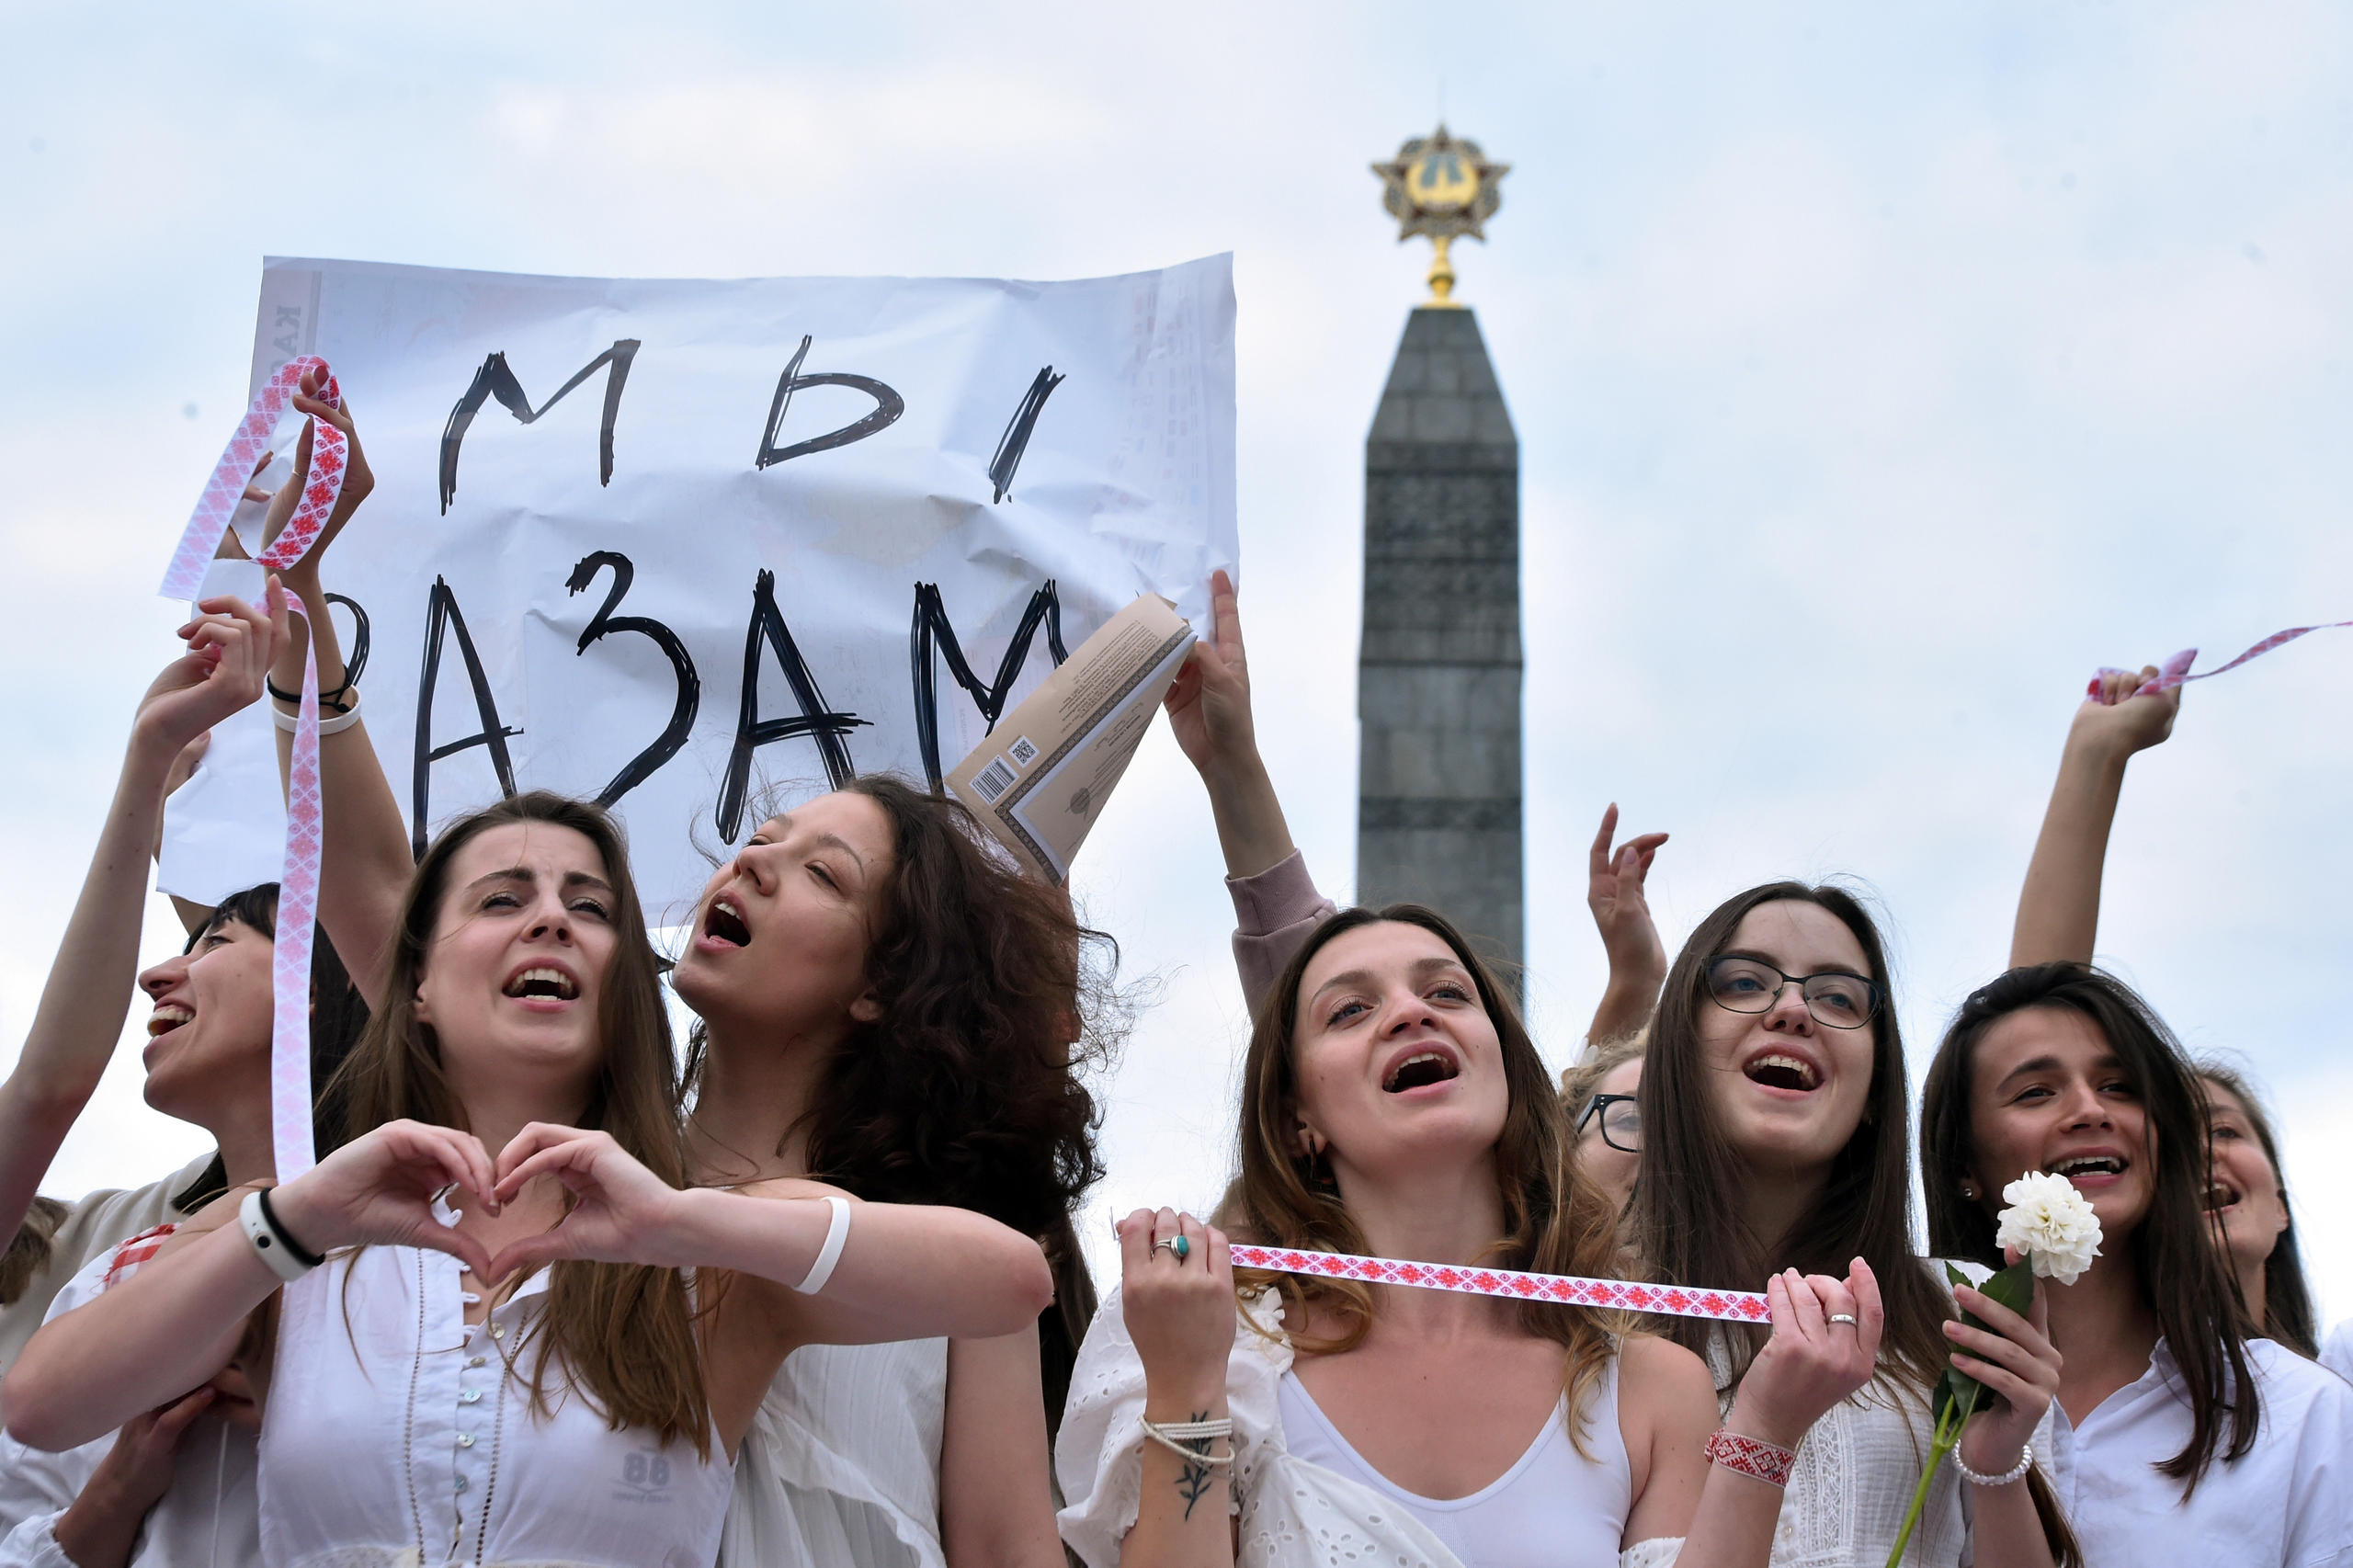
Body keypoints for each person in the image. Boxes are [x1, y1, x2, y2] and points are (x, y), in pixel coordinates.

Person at [250, 375, 1105, 1566]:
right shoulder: (589, 1175)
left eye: (819, 873)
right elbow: (392, 902)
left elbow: (1007, 1548)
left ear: (885, 980)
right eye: (758, 838)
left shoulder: (937, 1248)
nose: (750, 862)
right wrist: (295, 587)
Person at [2, 775, 1056, 1566]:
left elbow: (1009, 1280)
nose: (550, 918)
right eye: (502, 900)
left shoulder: (709, 1243)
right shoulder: (297, 1223)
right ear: (409, 982)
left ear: (625, 993)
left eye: (593, 908)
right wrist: (299, 1215)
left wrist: (676, 1223)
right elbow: (39, 1404)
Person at [1057, 903, 1888, 1568]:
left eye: (1449, 994)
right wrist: (1187, 1384)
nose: (1412, 1012)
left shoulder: (1652, 1385)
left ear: (1506, 1068)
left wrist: (1766, 1431)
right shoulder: (1207, 1336)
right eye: (1350, 1010)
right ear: (1296, 1117)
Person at [1631, 884, 2074, 1567]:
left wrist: (1995, 1463)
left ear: (1874, 1091)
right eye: (1745, 982)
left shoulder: (1962, 1312)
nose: (1791, 1010)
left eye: (1838, 997)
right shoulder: (1590, 1323)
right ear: (1678, 1058)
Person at [0, 592, 337, 1375]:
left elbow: (304, 967)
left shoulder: (177, 1219)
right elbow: (47, 1087)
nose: (156, 975)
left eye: (208, 942)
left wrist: (278, 568)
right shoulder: (105, 1252)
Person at [1920, 963, 2353, 1567]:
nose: (2090, 1110)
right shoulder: (1898, 1390)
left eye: (2121, 1086)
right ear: (1964, 1163)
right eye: (2035, 1092)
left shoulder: (2302, 1410)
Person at [2007, 663, 2327, 1357]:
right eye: (2177, 1146)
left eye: (2229, 1133)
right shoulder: (2052, 1404)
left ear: (2282, 1206)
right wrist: (2095, 757)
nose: (2203, 1154)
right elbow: (2028, 1020)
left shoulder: (2333, 1400)